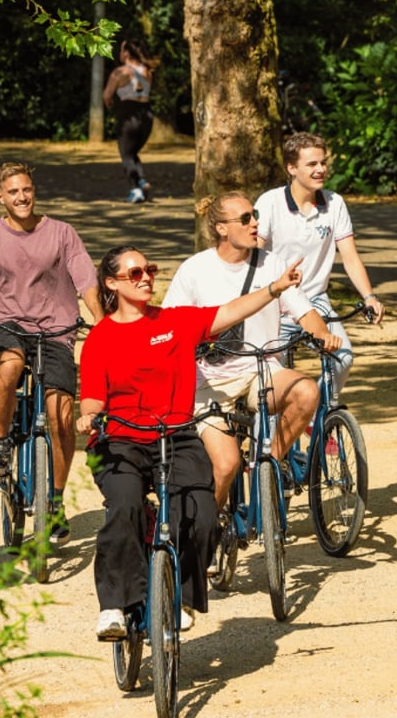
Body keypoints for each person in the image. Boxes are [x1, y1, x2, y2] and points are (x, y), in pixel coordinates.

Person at [76, 245, 302, 641]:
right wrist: (89, 416)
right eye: (135, 273)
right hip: (118, 439)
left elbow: (229, 312)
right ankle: (114, 605)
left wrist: (275, 288)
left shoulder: (174, 321)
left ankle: (180, 597)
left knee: (201, 513)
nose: (146, 278)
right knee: (124, 507)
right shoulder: (101, 337)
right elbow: (93, 396)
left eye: (149, 269)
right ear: (111, 283)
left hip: (175, 434)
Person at [164, 194, 343, 511]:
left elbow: (304, 311)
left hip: (262, 371)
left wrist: (324, 335)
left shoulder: (272, 264)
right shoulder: (194, 270)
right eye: (245, 218)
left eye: (255, 215)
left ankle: (267, 464)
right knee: (225, 466)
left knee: (306, 392)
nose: (255, 223)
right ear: (221, 228)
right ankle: (210, 529)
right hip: (211, 382)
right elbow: (170, 326)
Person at [0, 162, 104, 539]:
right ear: (1, 197)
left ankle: (54, 502)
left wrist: (101, 320)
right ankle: (0, 445)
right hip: (7, 326)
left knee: (61, 415)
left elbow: (86, 280)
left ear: (34, 191)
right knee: (10, 367)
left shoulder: (61, 233)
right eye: (13, 192)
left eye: (26, 189)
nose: (22, 197)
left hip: (57, 329)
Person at [255, 133, 385, 395]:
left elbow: (350, 257)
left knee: (342, 358)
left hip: (315, 299)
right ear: (291, 168)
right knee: (270, 379)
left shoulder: (335, 203)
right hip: (276, 302)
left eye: (323, 163)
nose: (321, 169)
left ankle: (317, 414)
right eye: (312, 164)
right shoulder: (270, 203)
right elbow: (254, 255)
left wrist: (369, 297)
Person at [102, 39, 155, 203]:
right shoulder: (147, 71)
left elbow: (107, 95)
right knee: (132, 153)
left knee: (126, 155)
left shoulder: (120, 72)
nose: (119, 53)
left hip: (128, 114)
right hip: (147, 115)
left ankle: (135, 189)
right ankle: (142, 181)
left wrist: (110, 104)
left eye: (121, 50)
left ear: (126, 53)